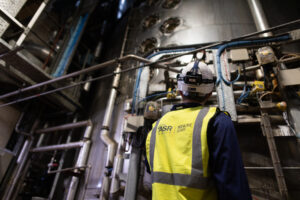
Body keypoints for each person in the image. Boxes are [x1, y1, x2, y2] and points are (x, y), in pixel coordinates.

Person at [145, 60, 252, 200]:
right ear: (209, 93)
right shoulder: (216, 121)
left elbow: (151, 172)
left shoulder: (156, 128)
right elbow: (232, 184)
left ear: (179, 90)